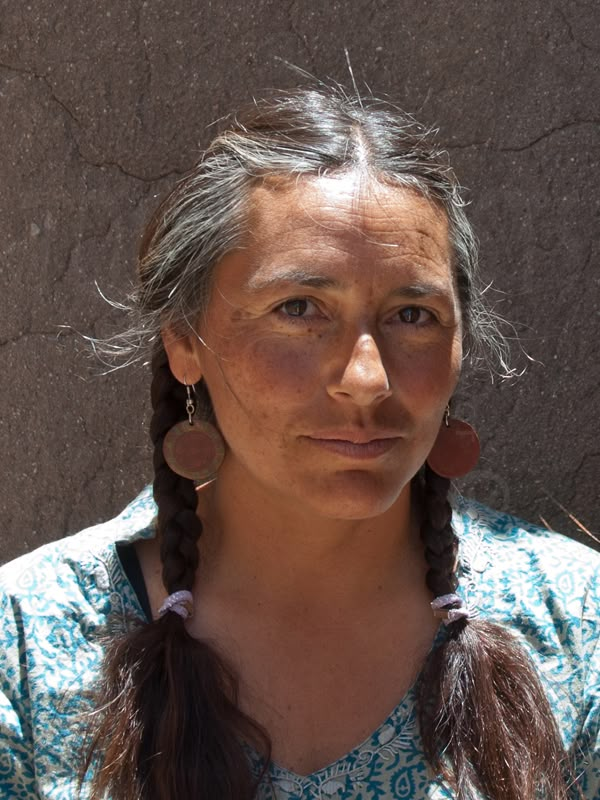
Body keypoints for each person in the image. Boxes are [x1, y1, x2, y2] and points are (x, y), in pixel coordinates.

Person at [0, 86, 598, 800]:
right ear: (185, 341)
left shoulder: (576, 623)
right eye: (299, 309)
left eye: (414, 314)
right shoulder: (27, 642)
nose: (367, 380)